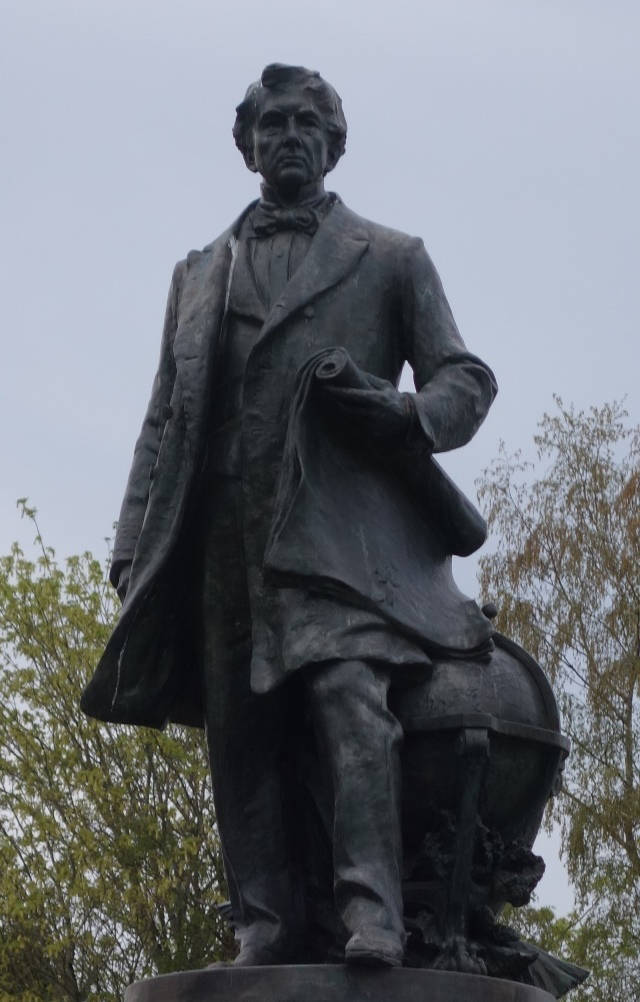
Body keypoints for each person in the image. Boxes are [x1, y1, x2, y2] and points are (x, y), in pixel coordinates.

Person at [81, 63, 497, 969]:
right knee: (243, 734)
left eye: (308, 122)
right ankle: (263, 929)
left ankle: (372, 916)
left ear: (334, 142)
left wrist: (401, 414)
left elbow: (465, 382)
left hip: (342, 534)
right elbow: (165, 418)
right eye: (272, 124)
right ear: (247, 146)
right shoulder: (198, 275)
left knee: (351, 704)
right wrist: (130, 545)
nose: (290, 136)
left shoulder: (390, 256)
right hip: (223, 533)